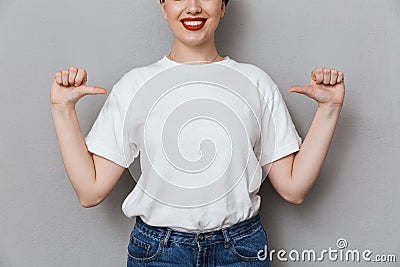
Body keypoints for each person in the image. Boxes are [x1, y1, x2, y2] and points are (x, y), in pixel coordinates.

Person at [50, 0, 345, 266]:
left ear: (223, 6)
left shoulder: (255, 82)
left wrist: (329, 108)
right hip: (158, 253)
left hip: (240, 251)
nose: (193, 7)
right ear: (163, 7)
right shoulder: (134, 85)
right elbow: (90, 191)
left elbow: (293, 188)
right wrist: (62, 109)